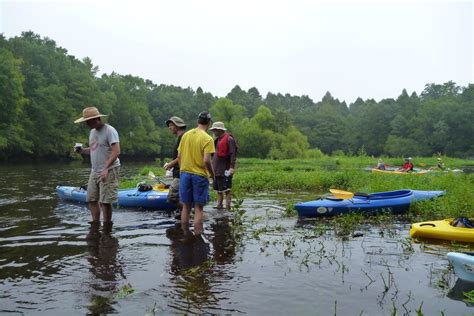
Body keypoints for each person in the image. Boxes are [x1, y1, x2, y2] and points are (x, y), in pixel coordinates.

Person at [74, 106, 120, 224]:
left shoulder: (109, 130)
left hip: (109, 169)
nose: (86, 124)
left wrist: (105, 168)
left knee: (105, 201)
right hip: (95, 170)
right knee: (91, 199)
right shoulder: (92, 132)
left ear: (97, 119)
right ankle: (95, 223)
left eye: (88, 121)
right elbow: (94, 149)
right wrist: (82, 150)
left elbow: (116, 151)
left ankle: (106, 226)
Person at [177, 111, 215, 236]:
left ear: (197, 121)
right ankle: (198, 236)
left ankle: (185, 235)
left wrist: (183, 169)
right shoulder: (208, 139)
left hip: (184, 174)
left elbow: (179, 155)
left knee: (186, 207)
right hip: (199, 175)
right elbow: (206, 161)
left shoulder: (186, 135)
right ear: (209, 123)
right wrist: (212, 175)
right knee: (198, 208)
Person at [209, 121, 237, 211]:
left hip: (225, 170)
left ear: (219, 130)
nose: (213, 131)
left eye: (215, 130)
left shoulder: (229, 139)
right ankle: (219, 206)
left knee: (227, 190)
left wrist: (232, 167)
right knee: (218, 190)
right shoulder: (217, 139)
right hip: (216, 170)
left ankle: (228, 207)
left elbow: (233, 154)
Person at [164, 116, 187, 219]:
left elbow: (182, 156)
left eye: (171, 125)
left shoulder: (183, 137)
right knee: (180, 197)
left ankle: (189, 212)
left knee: (172, 197)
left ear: (177, 126)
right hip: (179, 172)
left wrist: (170, 165)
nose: (169, 128)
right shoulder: (181, 137)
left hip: (181, 173)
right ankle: (184, 215)